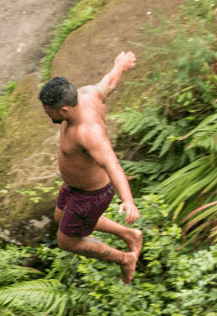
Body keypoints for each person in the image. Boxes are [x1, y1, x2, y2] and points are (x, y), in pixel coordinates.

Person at [39, 51, 143, 284]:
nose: (47, 115)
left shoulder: (88, 132)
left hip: (90, 195)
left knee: (67, 241)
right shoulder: (88, 93)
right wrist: (120, 65)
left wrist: (127, 200)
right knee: (60, 216)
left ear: (63, 111)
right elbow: (108, 83)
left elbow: (112, 164)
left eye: (49, 112)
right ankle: (129, 235)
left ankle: (125, 259)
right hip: (74, 187)